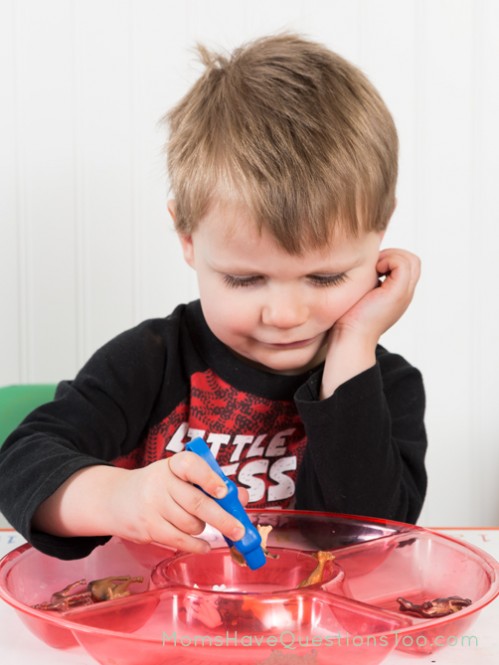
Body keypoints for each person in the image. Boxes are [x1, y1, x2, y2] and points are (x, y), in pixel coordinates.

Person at [0, 34, 426, 560]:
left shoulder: (387, 387)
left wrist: (355, 342)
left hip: (311, 637)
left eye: (327, 278)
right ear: (187, 239)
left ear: (379, 236)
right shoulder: (152, 361)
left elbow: (370, 537)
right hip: (160, 628)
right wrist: (118, 497)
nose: (287, 315)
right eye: (246, 280)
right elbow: (20, 463)